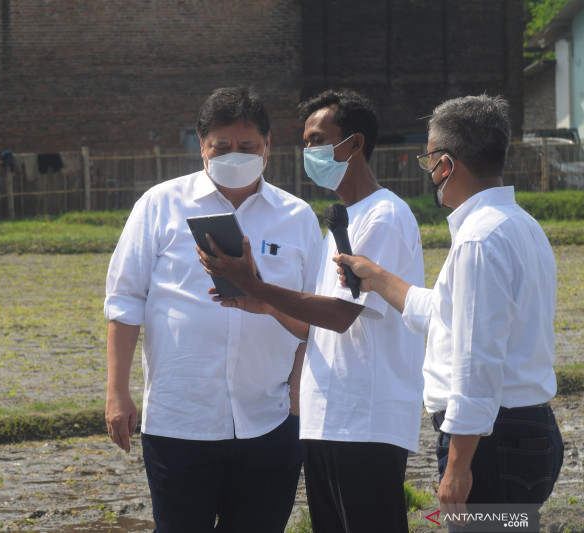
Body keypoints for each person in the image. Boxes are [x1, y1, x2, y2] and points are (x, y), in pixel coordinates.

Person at [198, 88, 425, 533]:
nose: (310, 152)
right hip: (330, 420)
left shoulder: (384, 216)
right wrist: (262, 303)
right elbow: (316, 327)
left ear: (355, 144)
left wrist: (256, 284)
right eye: (305, 142)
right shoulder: (344, 220)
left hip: (365, 421)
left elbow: (342, 316)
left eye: (319, 140)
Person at [334, 94, 564, 531]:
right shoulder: (520, 224)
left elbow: (477, 361)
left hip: (491, 444)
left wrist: (458, 466)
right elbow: (445, 315)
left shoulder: (479, 239)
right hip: (523, 432)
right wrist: (376, 276)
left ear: (446, 163)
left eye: (428, 160)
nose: (430, 171)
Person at [104, 86, 322, 532]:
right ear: (202, 147)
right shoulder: (160, 204)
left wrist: (297, 400)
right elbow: (125, 301)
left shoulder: (297, 217)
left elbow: (317, 316)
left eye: (247, 146)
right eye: (222, 147)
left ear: (267, 147)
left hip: (270, 418)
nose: (234, 155)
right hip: (180, 421)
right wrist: (117, 392)